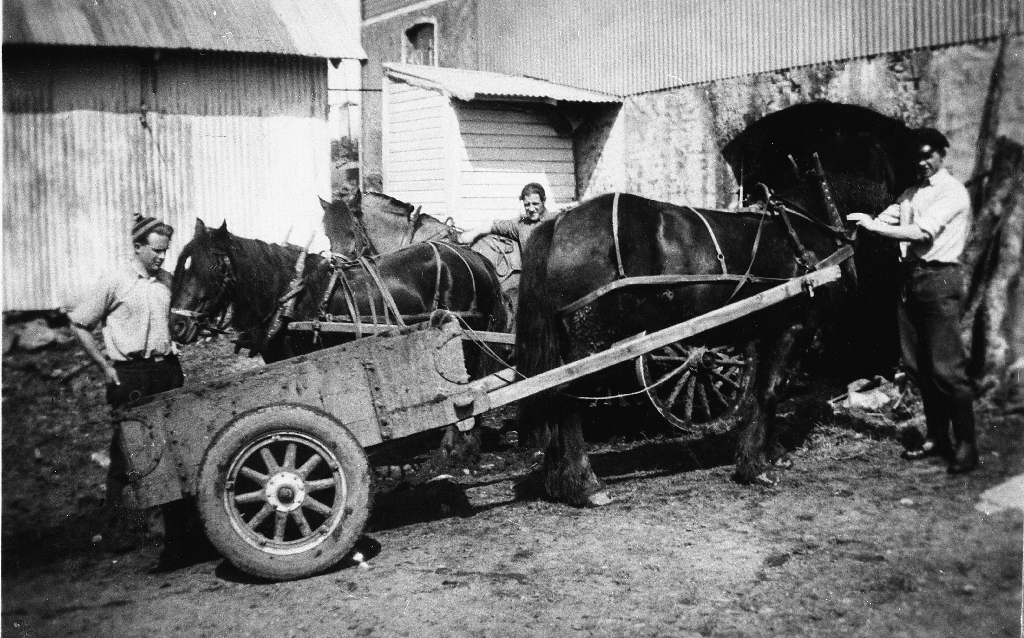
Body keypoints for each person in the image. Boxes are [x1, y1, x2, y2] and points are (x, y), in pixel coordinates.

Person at [65, 215, 213, 571]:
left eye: (165, 251)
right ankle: (119, 534)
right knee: (129, 456)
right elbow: (80, 323)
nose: (162, 257)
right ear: (137, 247)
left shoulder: (167, 282)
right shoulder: (115, 281)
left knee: (178, 452)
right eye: (156, 250)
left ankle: (183, 538)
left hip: (166, 371)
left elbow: (180, 324)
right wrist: (105, 367)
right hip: (130, 377)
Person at [847, 127, 978, 474]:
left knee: (946, 369)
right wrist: (861, 226)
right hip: (910, 281)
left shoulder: (953, 193)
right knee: (918, 367)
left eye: (928, 156)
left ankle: (967, 445)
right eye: (917, 158)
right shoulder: (911, 193)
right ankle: (937, 438)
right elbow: (888, 217)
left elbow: (921, 232)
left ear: (941, 154)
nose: (922, 163)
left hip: (940, 279)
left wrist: (875, 229)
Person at [457, 182, 549, 248]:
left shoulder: (556, 221)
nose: (531, 209)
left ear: (543, 200)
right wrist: (471, 234)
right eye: (527, 205)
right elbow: (493, 225)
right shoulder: (520, 224)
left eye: (535, 204)